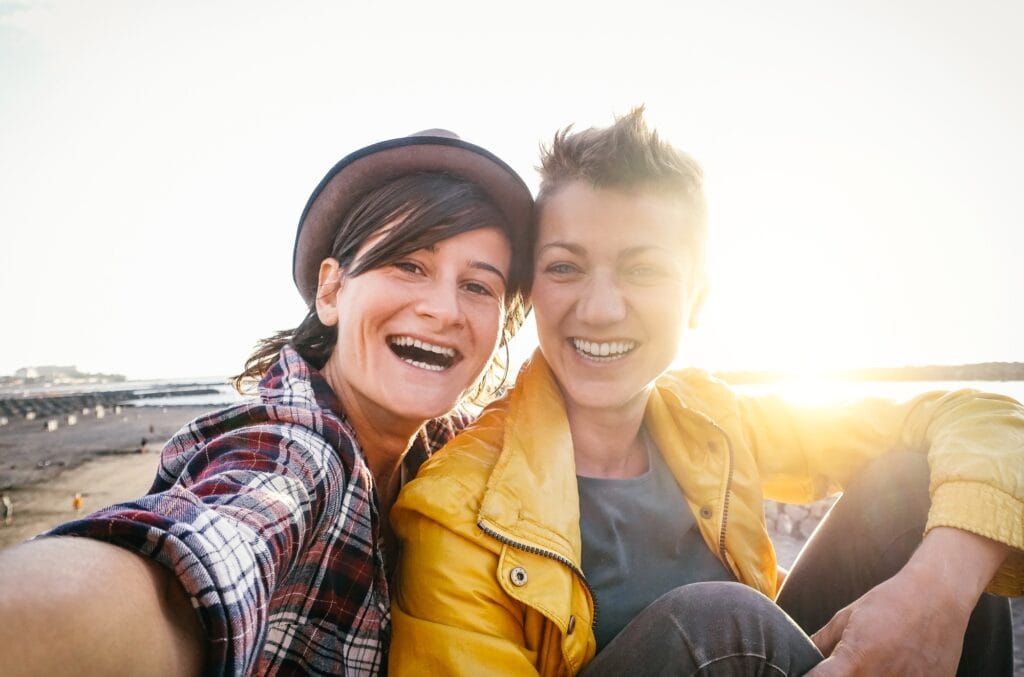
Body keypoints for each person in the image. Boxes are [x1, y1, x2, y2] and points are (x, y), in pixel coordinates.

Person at [389, 109, 1024, 675]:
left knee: (915, 497)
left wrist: (937, 595)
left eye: (642, 269)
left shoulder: (712, 418)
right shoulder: (457, 509)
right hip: (734, 654)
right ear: (532, 290)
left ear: (697, 298)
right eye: (565, 266)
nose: (602, 308)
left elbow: (977, 417)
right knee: (720, 628)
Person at [0, 129, 533, 675]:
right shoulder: (296, 453)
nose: (443, 310)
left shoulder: (451, 446)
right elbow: (210, 552)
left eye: (478, 286)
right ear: (331, 291)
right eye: (408, 265)